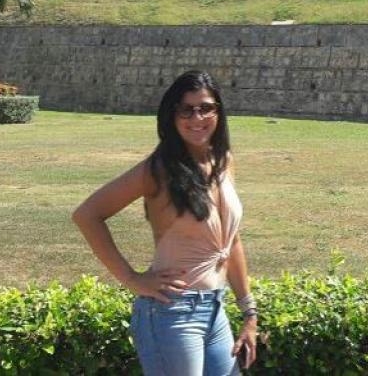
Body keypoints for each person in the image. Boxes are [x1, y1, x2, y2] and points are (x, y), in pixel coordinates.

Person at [73, 71, 258, 375]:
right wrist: (132, 279)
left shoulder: (222, 161)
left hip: (215, 309)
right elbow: (87, 215)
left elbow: (231, 241)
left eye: (206, 107)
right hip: (171, 312)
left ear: (219, 112)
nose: (197, 117)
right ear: (171, 116)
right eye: (186, 109)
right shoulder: (159, 170)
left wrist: (249, 313)